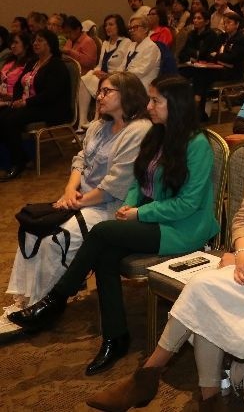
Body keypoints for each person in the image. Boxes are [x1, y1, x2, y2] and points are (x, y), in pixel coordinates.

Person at [86, 76, 244, 411]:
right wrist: (243, 252)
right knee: (205, 302)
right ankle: (207, 399)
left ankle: (148, 375)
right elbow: (243, 216)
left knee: (202, 293)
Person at [8, 76, 219, 376]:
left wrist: (138, 214)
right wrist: (127, 206)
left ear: (177, 104)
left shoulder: (197, 146)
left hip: (182, 228)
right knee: (105, 256)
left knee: (101, 232)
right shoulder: (157, 134)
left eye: (156, 100)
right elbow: (137, 180)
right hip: (150, 218)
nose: (149, 106)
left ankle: (57, 298)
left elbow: (188, 205)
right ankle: (114, 337)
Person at [3, 72, 151, 337]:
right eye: (100, 92)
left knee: (56, 238)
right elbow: (80, 159)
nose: (100, 96)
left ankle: (43, 307)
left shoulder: (138, 131)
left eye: (107, 92)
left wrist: (76, 202)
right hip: (80, 199)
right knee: (31, 229)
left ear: (127, 95)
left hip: (111, 207)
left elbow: (114, 186)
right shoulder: (99, 125)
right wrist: (70, 190)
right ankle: (25, 300)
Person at [0, 29, 73, 181]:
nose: (35, 43)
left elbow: (51, 94)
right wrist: (17, 100)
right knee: (3, 114)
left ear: (50, 44)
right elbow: (20, 85)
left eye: (40, 40)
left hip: (51, 108)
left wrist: (26, 102)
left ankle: (18, 162)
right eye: (34, 40)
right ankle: (21, 157)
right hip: (32, 105)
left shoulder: (56, 65)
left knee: (9, 120)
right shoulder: (33, 63)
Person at [78, 15, 131, 128]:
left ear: (119, 26)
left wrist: (108, 75)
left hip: (117, 78)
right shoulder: (105, 43)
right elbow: (100, 65)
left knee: (90, 80)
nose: (107, 27)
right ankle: (82, 123)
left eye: (111, 24)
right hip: (103, 76)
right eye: (106, 25)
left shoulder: (126, 43)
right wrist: (97, 71)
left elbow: (124, 67)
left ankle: (96, 121)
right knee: (85, 78)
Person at [0, 32, 33, 108]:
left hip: (14, 100)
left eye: (16, 43)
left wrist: (11, 96)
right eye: (11, 43)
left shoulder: (29, 64)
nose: (12, 46)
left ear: (26, 45)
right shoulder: (10, 61)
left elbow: (27, 91)